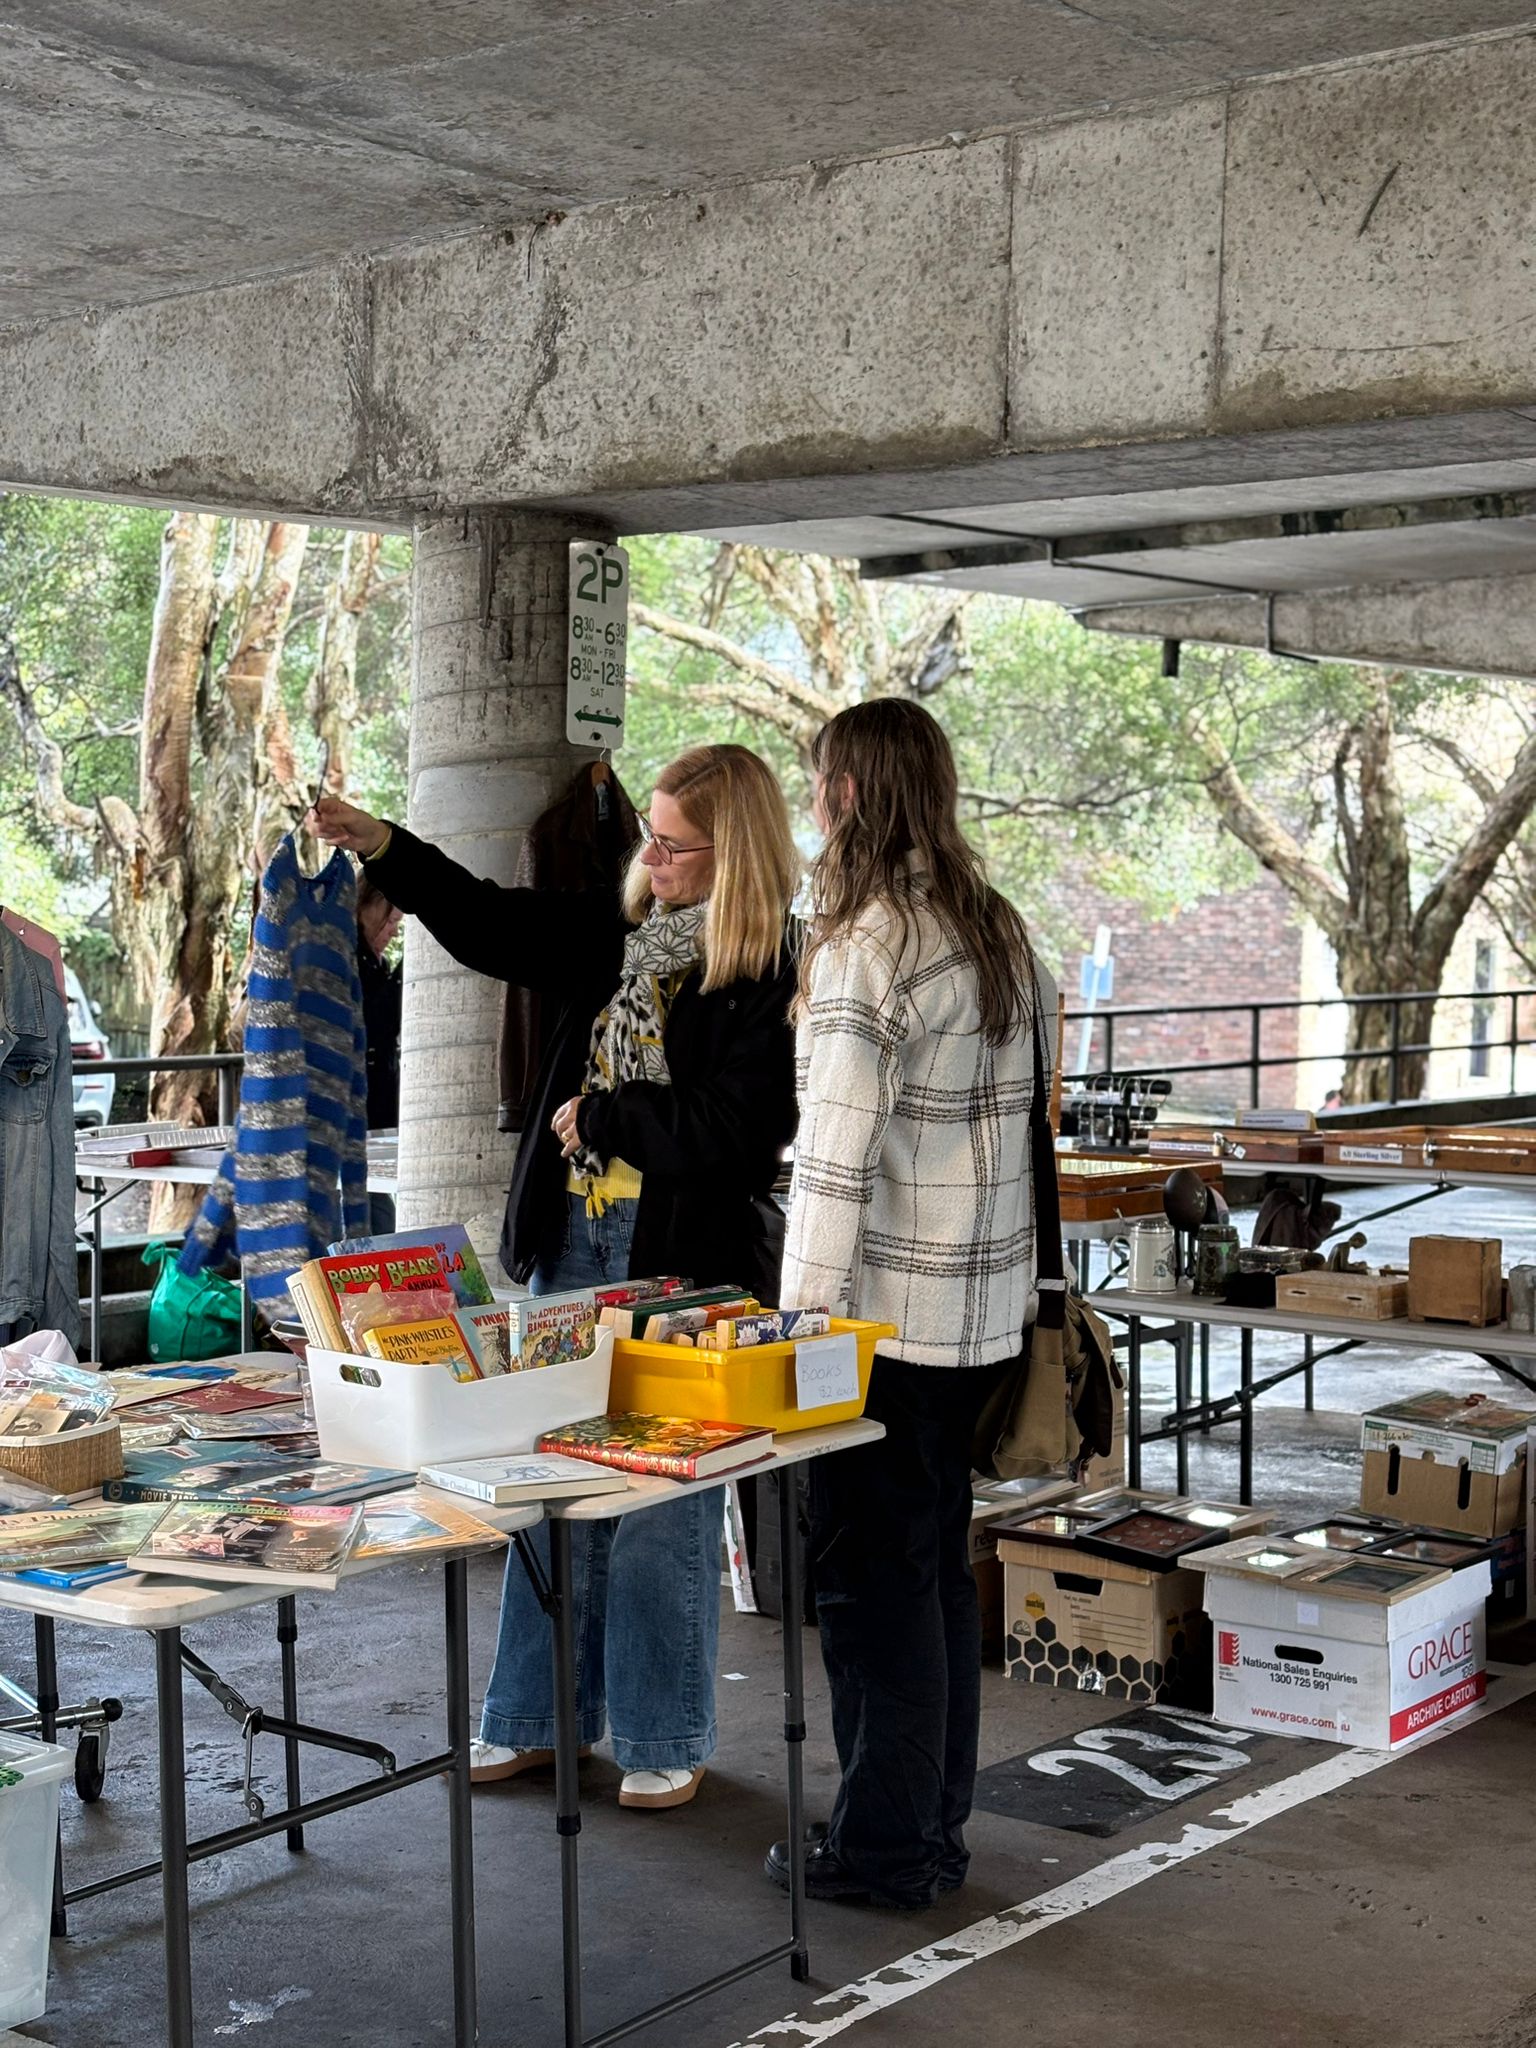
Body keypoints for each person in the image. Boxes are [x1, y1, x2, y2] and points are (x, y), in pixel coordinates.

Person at [313, 744, 799, 1810]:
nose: (654, 856)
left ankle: (665, 1734)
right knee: (543, 1488)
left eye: (676, 845)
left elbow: (741, 1132)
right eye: (652, 837)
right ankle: (534, 1720)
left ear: (740, 853)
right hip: (571, 1244)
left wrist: (610, 1114)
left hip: (684, 1267)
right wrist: (389, 843)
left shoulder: (768, 969)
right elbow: (492, 922)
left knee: (664, 1501)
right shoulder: (617, 935)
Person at [767, 698, 1056, 1909]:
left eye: (818, 781)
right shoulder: (998, 928)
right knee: (932, 1572)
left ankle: (884, 1851)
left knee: (869, 1593)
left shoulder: (867, 942)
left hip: (881, 1324)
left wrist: (796, 1325)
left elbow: (832, 1158)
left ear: (844, 794)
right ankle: (932, 1828)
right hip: (982, 1317)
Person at [356, 870, 404, 1235]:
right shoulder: (344, 956)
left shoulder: (375, 962)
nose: (392, 931)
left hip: (377, 1116)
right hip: (353, 1115)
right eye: (389, 919)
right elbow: (375, 1021)